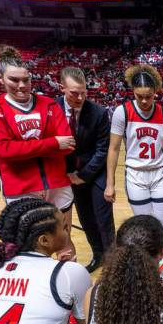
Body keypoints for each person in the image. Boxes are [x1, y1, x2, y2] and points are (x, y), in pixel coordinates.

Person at [0, 45, 77, 260]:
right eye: (14, 80)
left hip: (56, 182)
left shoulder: (49, 104)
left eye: (27, 79)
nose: (22, 86)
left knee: (64, 239)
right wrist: (52, 144)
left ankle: (71, 287)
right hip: (20, 186)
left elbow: (68, 143)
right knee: (26, 244)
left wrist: (24, 149)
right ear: (0, 78)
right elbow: (6, 150)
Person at [57, 67, 113, 273]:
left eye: (83, 92)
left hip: (95, 173)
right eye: (74, 93)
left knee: (103, 219)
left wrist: (83, 175)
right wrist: (70, 176)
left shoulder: (98, 112)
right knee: (86, 220)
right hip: (67, 176)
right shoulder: (52, 109)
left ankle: (112, 262)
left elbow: (102, 150)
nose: (80, 97)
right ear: (62, 88)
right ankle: (98, 256)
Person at [105, 65, 163, 226]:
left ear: (156, 92)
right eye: (139, 96)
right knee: (145, 224)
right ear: (133, 91)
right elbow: (113, 149)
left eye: (149, 96)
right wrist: (110, 184)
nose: (144, 101)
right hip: (135, 174)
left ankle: (162, 251)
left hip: (160, 174)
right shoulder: (122, 112)